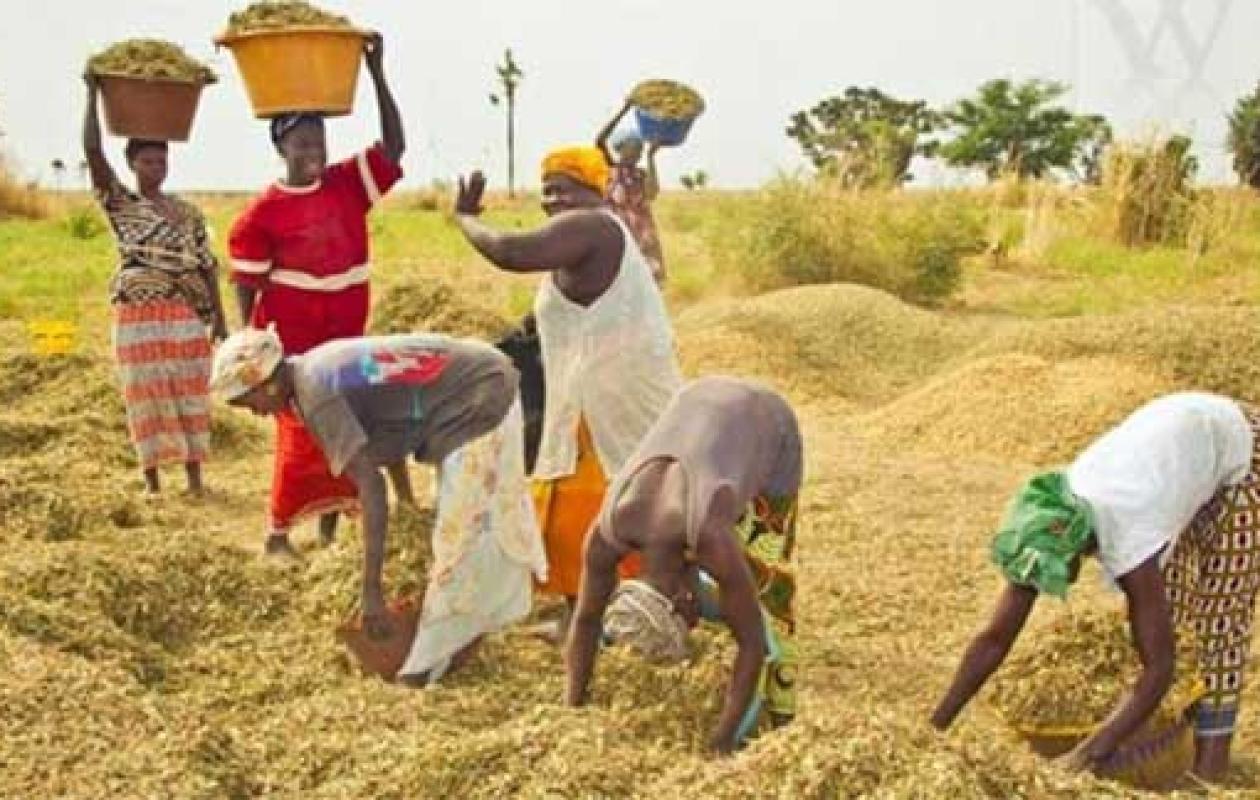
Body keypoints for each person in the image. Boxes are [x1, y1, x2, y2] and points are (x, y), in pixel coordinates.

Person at [931, 392, 1260, 781]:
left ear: (1076, 546)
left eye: (1056, 571)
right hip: (1182, 442)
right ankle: (1176, 745)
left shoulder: (1127, 538)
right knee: (1170, 610)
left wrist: (1085, 756)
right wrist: (935, 728)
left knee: (1213, 628)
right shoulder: (1055, 511)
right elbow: (994, 638)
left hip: (1242, 448)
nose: (1051, 583)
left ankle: (1208, 777)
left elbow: (1161, 668)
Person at [210, 327, 547, 682]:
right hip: (476, 381)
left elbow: (371, 485)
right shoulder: (312, 370)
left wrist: (371, 590)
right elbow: (383, 427)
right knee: (466, 525)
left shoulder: (316, 394)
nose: (254, 413)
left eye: (248, 403)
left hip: (478, 396)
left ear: (268, 384)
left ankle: (425, 664)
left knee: (459, 537)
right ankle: (459, 637)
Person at [452, 147, 682, 635]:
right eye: (547, 190)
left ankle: (633, 614)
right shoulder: (585, 236)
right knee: (571, 510)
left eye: (564, 187)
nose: (553, 199)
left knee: (611, 504)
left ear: (595, 190)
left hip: (613, 399)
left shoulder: (594, 226)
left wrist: (466, 219)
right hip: (587, 398)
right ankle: (583, 615)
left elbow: (510, 252)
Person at [227, 32, 405, 558]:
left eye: (320, 142)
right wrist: (253, 344)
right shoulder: (263, 214)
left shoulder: (346, 185)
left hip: (348, 343)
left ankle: (330, 533)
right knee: (301, 442)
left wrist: (375, 74)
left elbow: (394, 147)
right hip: (298, 354)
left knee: (349, 436)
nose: (314, 152)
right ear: (281, 147)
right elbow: (246, 284)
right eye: (302, 143)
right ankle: (278, 535)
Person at [565, 377, 802, 754]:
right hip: (699, 399)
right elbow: (587, 618)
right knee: (730, 581)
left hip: (766, 421)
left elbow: (753, 642)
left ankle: (781, 709)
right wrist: (573, 709)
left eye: (685, 623)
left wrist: (722, 740)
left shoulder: (710, 536)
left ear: (680, 594)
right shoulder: (607, 531)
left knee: (766, 589)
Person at [82, 74, 228, 497]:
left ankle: (195, 479)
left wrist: (219, 321)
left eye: (161, 162)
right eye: (147, 162)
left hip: (183, 313)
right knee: (145, 394)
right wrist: (92, 94)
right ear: (131, 164)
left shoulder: (187, 212)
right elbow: (92, 150)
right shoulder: (123, 204)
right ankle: (153, 482)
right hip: (136, 314)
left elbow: (206, 268)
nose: (155, 169)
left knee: (189, 391)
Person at [596, 101, 665, 284]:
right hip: (618, 234)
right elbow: (600, 140)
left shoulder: (641, 175)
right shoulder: (610, 169)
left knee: (645, 283)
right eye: (634, 147)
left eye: (640, 149)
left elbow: (652, 193)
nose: (639, 152)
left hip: (642, 235)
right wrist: (624, 109)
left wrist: (651, 157)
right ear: (620, 148)